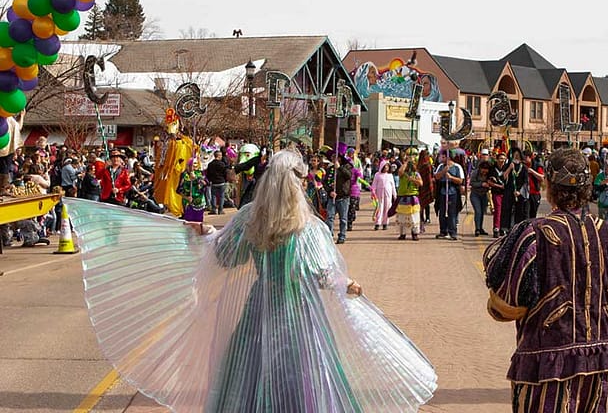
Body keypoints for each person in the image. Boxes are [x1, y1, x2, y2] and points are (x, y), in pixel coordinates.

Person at [64, 149, 437, 412]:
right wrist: (348, 283)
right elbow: (323, 274)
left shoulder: (249, 219)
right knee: (305, 379)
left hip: (259, 311)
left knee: (247, 376)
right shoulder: (307, 228)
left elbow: (227, 257)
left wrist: (209, 234)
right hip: (301, 318)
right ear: (297, 186)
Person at [483, 147, 608, 412]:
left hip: (546, 368)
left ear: (548, 186)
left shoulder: (534, 234)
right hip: (599, 367)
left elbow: (505, 303)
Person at [434, 149, 464, 240]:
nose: (440, 158)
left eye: (442, 157)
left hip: (453, 192)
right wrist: (443, 172)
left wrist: (451, 177)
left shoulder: (457, 167)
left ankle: (453, 232)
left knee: (452, 213)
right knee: (442, 212)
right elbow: (436, 176)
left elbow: (460, 180)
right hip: (442, 192)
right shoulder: (440, 166)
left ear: (447, 157)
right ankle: (443, 231)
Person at [396, 149, 423, 241]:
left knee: (414, 216)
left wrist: (413, 180)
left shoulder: (416, 174)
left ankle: (414, 233)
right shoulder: (403, 174)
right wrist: (406, 162)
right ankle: (402, 234)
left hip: (413, 197)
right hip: (403, 196)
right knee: (402, 216)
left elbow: (420, 183)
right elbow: (400, 172)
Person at [371, 160, 396, 230]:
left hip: (388, 193)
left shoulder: (390, 175)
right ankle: (377, 223)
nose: (386, 168)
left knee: (387, 208)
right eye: (385, 166)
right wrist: (373, 192)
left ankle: (385, 223)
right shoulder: (377, 175)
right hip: (379, 194)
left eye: (387, 166)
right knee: (379, 208)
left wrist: (395, 195)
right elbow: (374, 184)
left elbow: (393, 186)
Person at [469, 161, 492, 236]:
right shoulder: (475, 173)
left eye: (486, 169)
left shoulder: (489, 174)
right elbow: (471, 183)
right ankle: (477, 228)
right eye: (483, 169)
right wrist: (481, 184)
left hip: (484, 195)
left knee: (482, 212)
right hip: (475, 194)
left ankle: (481, 227)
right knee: (478, 211)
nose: (484, 171)